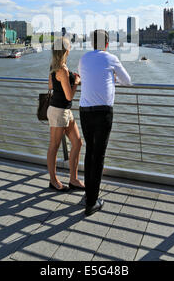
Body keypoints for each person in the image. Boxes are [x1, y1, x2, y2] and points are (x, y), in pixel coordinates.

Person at [79, 29, 132, 216]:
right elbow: (128, 81)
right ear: (107, 44)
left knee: (90, 152)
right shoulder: (111, 58)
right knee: (99, 156)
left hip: (84, 111)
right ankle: (92, 202)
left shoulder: (83, 59)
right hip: (103, 112)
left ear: (92, 43)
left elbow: (86, 79)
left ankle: (88, 194)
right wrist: (113, 80)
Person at [47, 37, 85, 192]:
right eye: (69, 46)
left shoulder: (56, 66)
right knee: (54, 146)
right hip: (59, 111)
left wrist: (69, 80)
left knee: (78, 143)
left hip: (65, 111)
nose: (70, 48)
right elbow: (69, 96)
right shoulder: (62, 69)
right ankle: (54, 181)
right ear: (65, 50)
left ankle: (73, 179)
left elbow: (50, 85)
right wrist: (75, 82)